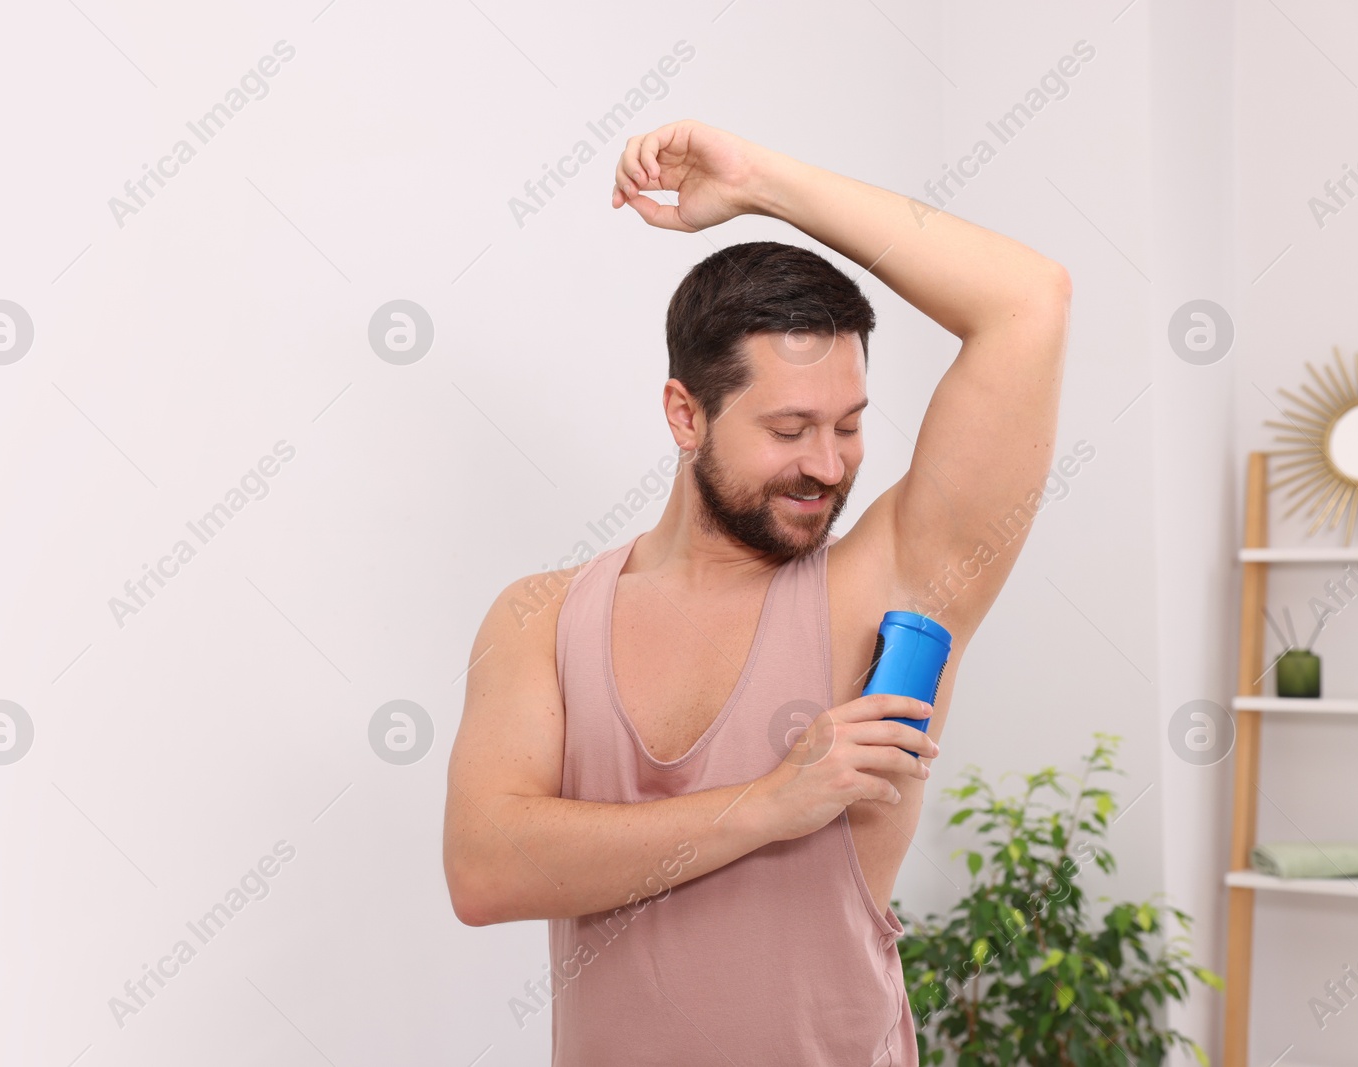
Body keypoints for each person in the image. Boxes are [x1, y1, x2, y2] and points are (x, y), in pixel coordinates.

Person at [443, 118, 1070, 1065]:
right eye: (789, 428)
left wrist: (758, 181)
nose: (829, 465)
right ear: (684, 413)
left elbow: (1031, 301)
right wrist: (773, 801)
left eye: (850, 424)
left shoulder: (890, 580)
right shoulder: (540, 619)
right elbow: (484, 869)